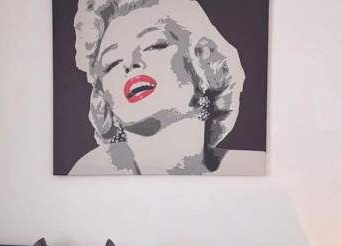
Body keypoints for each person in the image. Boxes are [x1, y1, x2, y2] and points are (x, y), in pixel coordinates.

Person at [69, 0, 264, 175]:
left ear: (203, 63)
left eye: (154, 45)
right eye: (111, 63)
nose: (130, 63)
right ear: (103, 96)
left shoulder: (253, 168)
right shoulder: (91, 171)